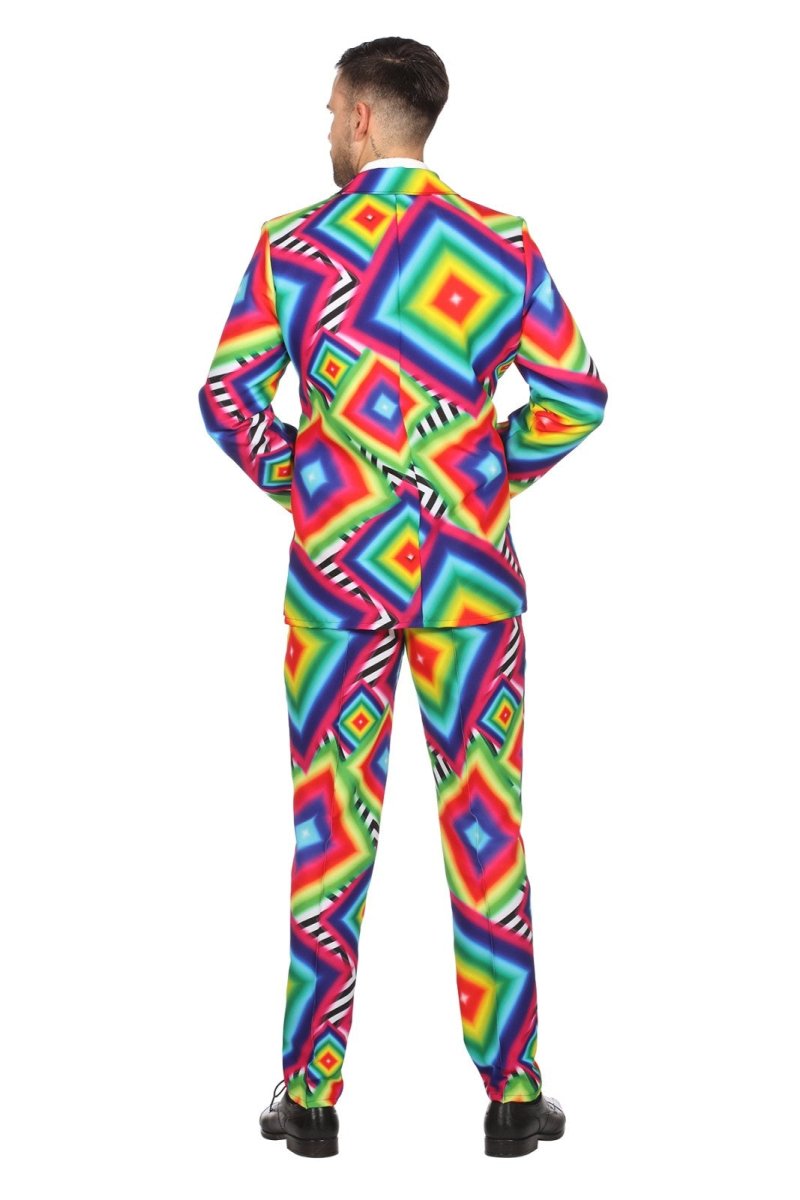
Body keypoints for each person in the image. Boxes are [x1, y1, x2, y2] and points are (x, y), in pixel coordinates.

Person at [197, 35, 608, 1158]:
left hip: (338, 586)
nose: (328, 127)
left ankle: (311, 1098)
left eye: (332, 109)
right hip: (468, 583)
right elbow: (573, 397)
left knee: (330, 834)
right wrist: (477, 480)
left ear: (365, 118)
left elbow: (228, 396)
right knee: (487, 828)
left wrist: (316, 486)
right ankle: (512, 1095)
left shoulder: (293, 245)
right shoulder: (499, 242)